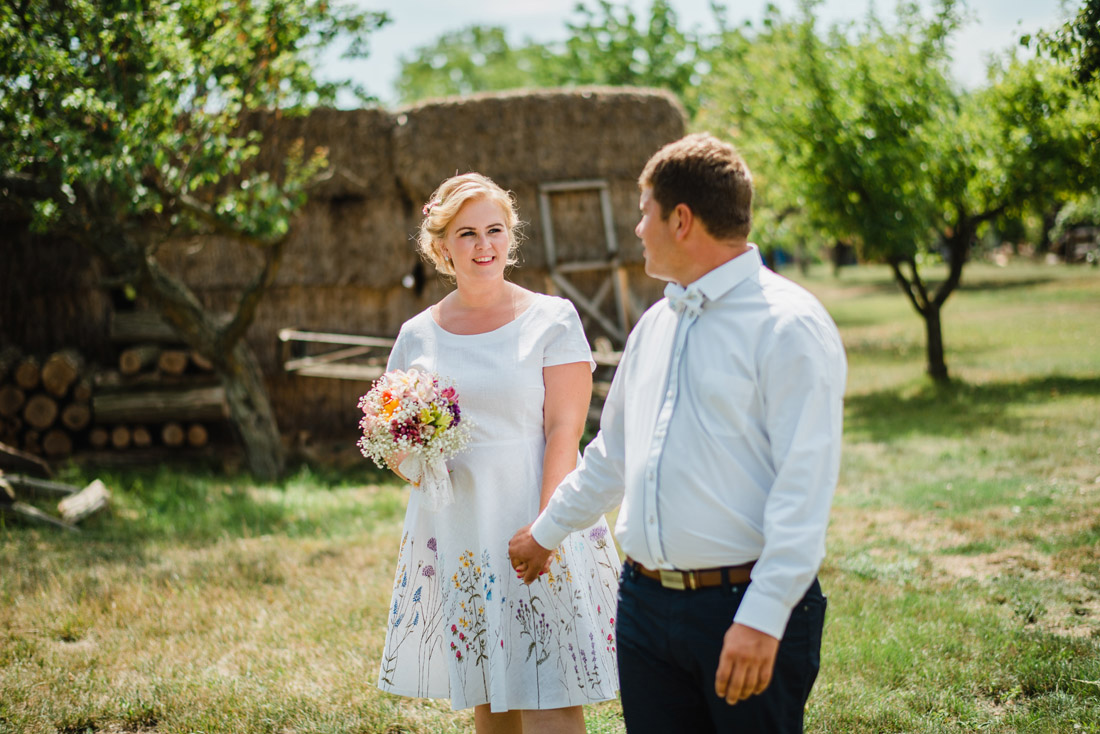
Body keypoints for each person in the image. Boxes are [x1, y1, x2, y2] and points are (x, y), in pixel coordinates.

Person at [508, 133, 847, 733]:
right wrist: (546, 533)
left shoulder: (788, 326)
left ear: (681, 219)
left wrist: (764, 618)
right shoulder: (655, 324)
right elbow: (611, 455)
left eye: (645, 214)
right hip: (643, 608)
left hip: (743, 605)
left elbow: (805, 490)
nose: (638, 229)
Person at [377, 172, 620, 734]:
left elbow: (564, 429)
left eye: (495, 230)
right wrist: (410, 458)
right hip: (463, 523)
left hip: (538, 507)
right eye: (467, 234)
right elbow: (395, 435)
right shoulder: (417, 334)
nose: (484, 245)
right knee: (492, 692)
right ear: (441, 247)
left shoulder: (553, 319)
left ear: (511, 237)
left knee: (550, 689)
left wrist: (547, 527)